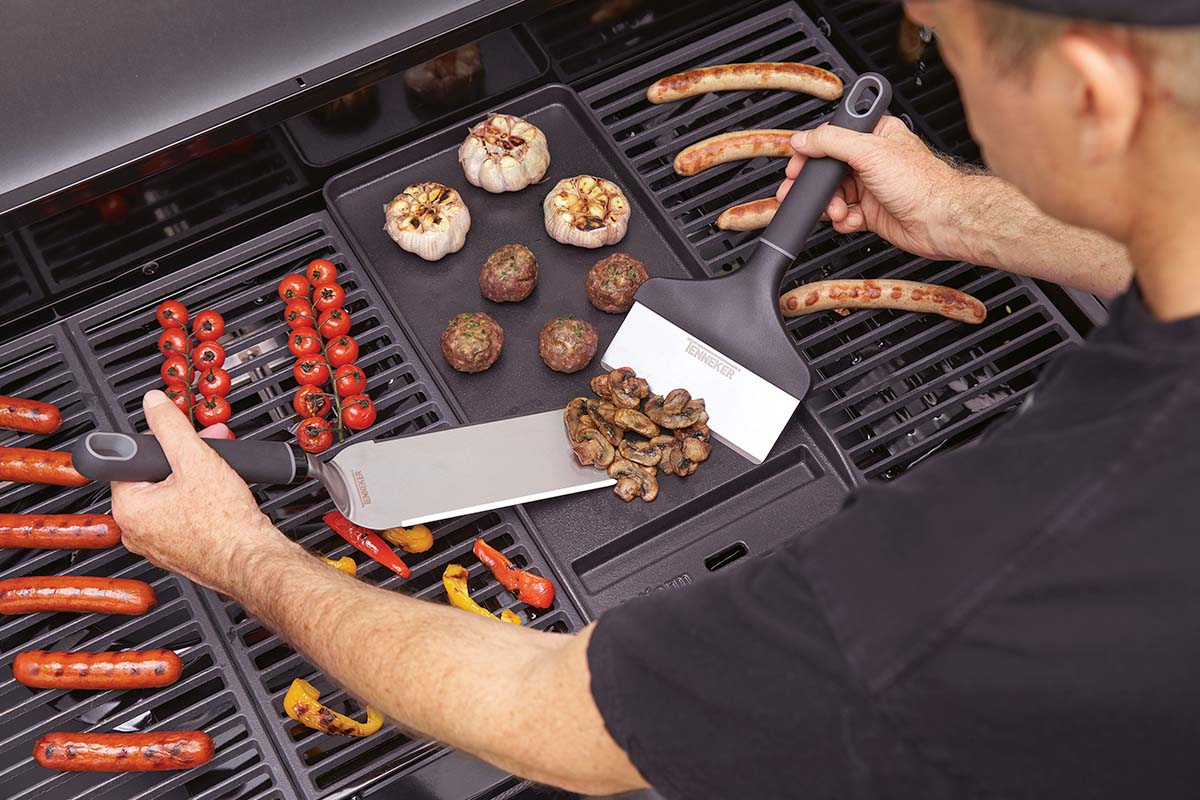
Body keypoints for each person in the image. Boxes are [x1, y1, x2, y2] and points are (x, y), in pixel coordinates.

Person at [112, 0, 1200, 796]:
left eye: (952, 47)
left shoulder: (994, 566)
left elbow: (559, 723)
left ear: (1093, 97)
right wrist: (982, 217)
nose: (921, 30)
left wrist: (242, 554)